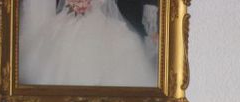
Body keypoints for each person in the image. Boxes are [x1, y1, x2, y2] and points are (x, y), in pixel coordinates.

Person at [18, 0, 157, 87]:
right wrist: (74, 3)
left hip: (97, 18)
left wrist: (88, 3)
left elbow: (105, 3)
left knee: (124, 42)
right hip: (70, 17)